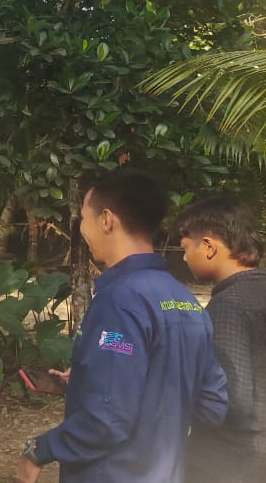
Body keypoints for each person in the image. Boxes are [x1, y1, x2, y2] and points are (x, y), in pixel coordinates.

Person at [15, 169, 228, 483]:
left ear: (106, 219)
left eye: (83, 218)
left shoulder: (119, 300)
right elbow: (213, 404)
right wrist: (91, 381)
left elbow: (107, 419)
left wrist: (39, 449)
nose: (82, 228)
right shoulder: (186, 300)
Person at [175, 195, 266, 483]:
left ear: (208, 247)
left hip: (229, 461)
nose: (184, 257)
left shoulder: (228, 305)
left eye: (185, 248)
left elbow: (231, 400)